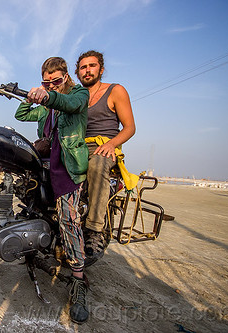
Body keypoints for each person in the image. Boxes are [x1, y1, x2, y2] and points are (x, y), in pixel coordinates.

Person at [15, 57, 90, 324]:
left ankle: (79, 282)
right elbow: (21, 115)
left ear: (67, 77)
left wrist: (48, 95)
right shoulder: (46, 108)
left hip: (66, 163)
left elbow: (70, 103)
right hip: (43, 163)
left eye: (56, 81)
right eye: (46, 82)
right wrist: (29, 98)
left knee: (69, 219)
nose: (52, 86)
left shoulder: (78, 94)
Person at [75, 50, 136, 261]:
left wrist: (112, 144)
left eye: (91, 66)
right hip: (79, 147)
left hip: (103, 147)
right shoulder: (77, 95)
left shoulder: (115, 91)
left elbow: (129, 127)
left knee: (98, 165)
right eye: (83, 67)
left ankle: (94, 230)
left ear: (101, 69)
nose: (87, 70)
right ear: (77, 73)